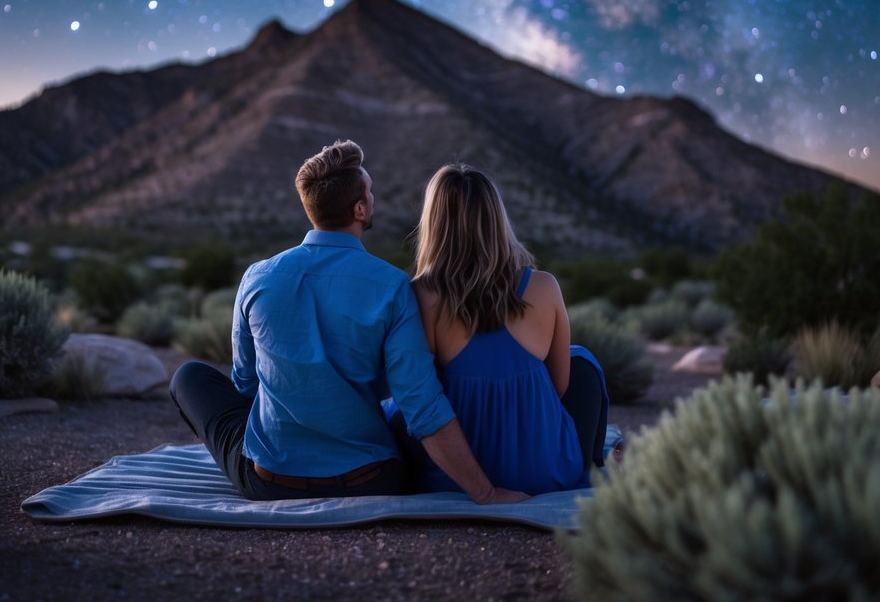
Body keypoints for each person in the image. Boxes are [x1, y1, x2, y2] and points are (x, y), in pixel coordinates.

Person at [169, 140, 526, 504]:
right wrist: (487, 492)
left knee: (190, 376)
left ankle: (285, 449)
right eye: (370, 192)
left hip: (271, 482)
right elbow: (421, 404)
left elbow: (245, 383)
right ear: (359, 208)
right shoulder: (393, 287)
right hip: (371, 480)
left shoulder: (257, 278)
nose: (373, 199)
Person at [399, 163, 610, 495]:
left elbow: (423, 394)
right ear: (497, 220)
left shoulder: (421, 295)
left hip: (461, 474)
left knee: (396, 406)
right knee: (583, 363)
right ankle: (591, 458)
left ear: (434, 224)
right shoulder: (544, 287)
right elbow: (559, 386)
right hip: (544, 470)